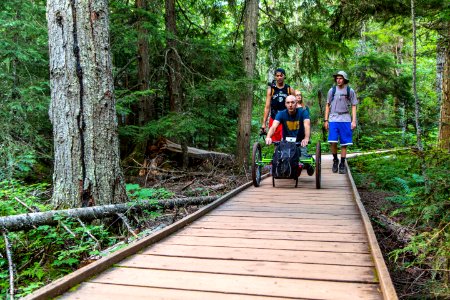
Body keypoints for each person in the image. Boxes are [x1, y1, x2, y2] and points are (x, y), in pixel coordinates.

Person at [324, 71, 358, 174]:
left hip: (345, 118)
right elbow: (327, 104)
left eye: (341, 78)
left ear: (345, 79)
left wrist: (353, 121)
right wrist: (326, 120)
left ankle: (342, 163)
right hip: (333, 117)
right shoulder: (332, 90)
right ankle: (335, 160)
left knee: (344, 142)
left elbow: (353, 105)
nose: (338, 80)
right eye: (337, 78)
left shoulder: (349, 90)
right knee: (332, 141)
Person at [261, 68, 294, 141]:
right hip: (274, 118)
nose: (279, 77)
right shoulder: (271, 90)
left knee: (285, 141)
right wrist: (264, 123)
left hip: (286, 119)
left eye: (281, 76)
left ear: (284, 76)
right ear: (275, 77)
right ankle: (276, 152)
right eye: (277, 76)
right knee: (276, 143)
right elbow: (267, 107)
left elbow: (295, 105)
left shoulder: (289, 89)